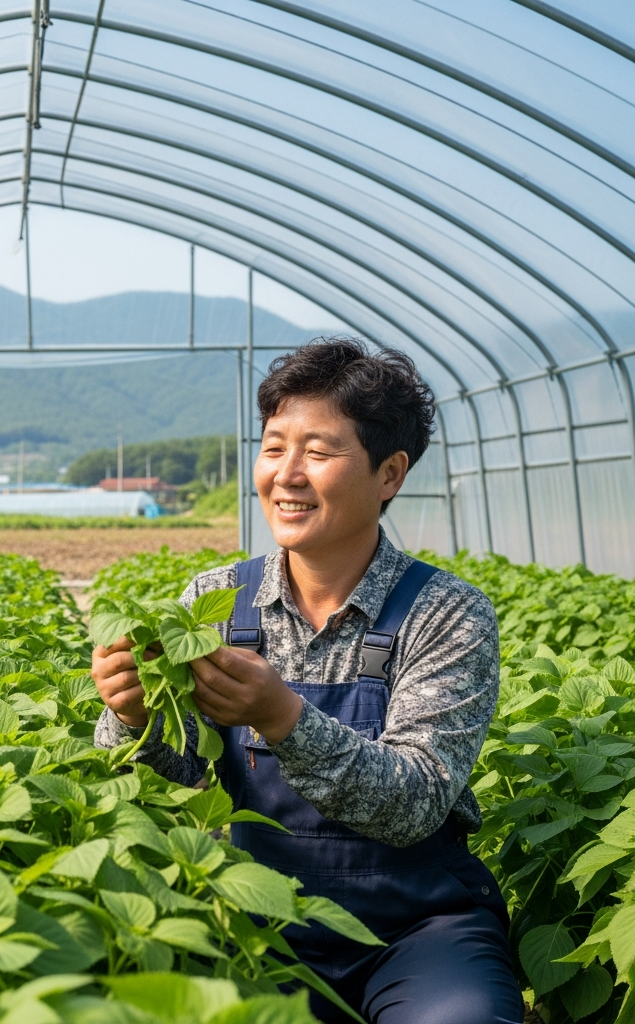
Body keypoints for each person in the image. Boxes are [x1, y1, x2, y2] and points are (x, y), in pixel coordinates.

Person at [92, 338, 524, 1024]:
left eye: (318, 453)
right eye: (273, 447)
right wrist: (134, 716)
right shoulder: (215, 602)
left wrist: (283, 717)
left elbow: (415, 802)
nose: (287, 475)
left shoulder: (444, 613)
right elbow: (175, 777)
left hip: (414, 929)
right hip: (255, 917)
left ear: (389, 474)